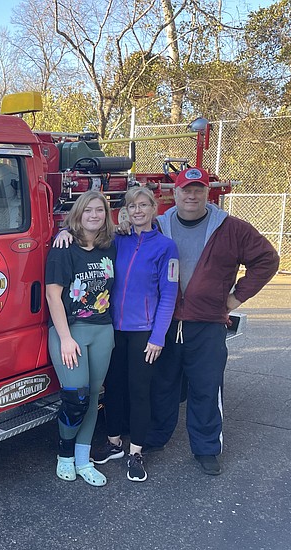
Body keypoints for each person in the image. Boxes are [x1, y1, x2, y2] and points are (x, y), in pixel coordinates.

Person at [143, 166, 279, 475]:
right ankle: (154, 438)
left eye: (198, 190)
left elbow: (267, 259)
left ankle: (206, 449)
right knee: (162, 386)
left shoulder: (231, 228)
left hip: (207, 324)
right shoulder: (157, 226)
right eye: (185, 190)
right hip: (164, 323)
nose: (191, 195)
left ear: (207, 193)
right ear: (173, 193)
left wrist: (236, 298)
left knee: (206, 387)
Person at [89, 187, 179, 482]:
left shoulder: (166, 247)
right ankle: (114, 442)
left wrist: (158, 336)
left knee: (140, 392)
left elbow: (169, 294)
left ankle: (135, 451)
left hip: (144, 333)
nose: (137, 210)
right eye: (131, 206)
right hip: (113, 328)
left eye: (143, 205)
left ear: (154, 208)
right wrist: (64, 234)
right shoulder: (117, 239)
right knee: (113, 387)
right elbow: (85, 236)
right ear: (125, 210)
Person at [46, 190, 116, 487]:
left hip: (103, 329)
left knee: (93, 400)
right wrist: (65, 338)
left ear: (105, 215)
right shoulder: (64, 247)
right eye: (88, 210)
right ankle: (65, 456)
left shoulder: (110, 246)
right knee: (76, 398)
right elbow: (53, 294)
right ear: (78, 214)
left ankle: (84, 459)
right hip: (71, 331)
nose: (93, 215)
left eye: (99, 210)